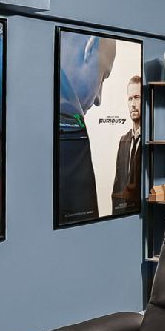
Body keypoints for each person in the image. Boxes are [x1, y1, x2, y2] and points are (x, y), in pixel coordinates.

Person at [57, 33, 116, 224]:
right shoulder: (70, 127)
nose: (99, 98)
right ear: (89, 48)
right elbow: (80, 227)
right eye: (103, 77)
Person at [112, 76, 143, 213]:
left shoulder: (149, 140)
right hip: (123, 212)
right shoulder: (123, 141)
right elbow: (117, 184)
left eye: (137, 97)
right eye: (130, 99)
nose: (133, 104)